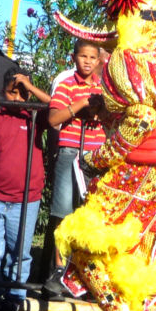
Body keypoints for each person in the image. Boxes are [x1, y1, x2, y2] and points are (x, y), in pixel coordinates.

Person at [0, 69, 50, 311]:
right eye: (11, 93)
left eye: (22, 94)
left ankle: (12, 302)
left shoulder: (34, 116)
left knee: (19, 253)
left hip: (26, 197)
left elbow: (54, 105)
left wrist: (29, 87)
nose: (16, 99)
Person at [45, 39, 104, 288]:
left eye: (92, 58)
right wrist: (79, 105)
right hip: (70, 152)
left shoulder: (104, 88)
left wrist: (101, 110)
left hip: (97, 155)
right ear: (74, 57)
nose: (87, 62)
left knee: (92, 215)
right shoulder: (66, 84)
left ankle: (87, 271)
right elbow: (53, 118)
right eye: (83, 57)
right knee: (63, 212)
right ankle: (59, 269)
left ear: (99, 61)